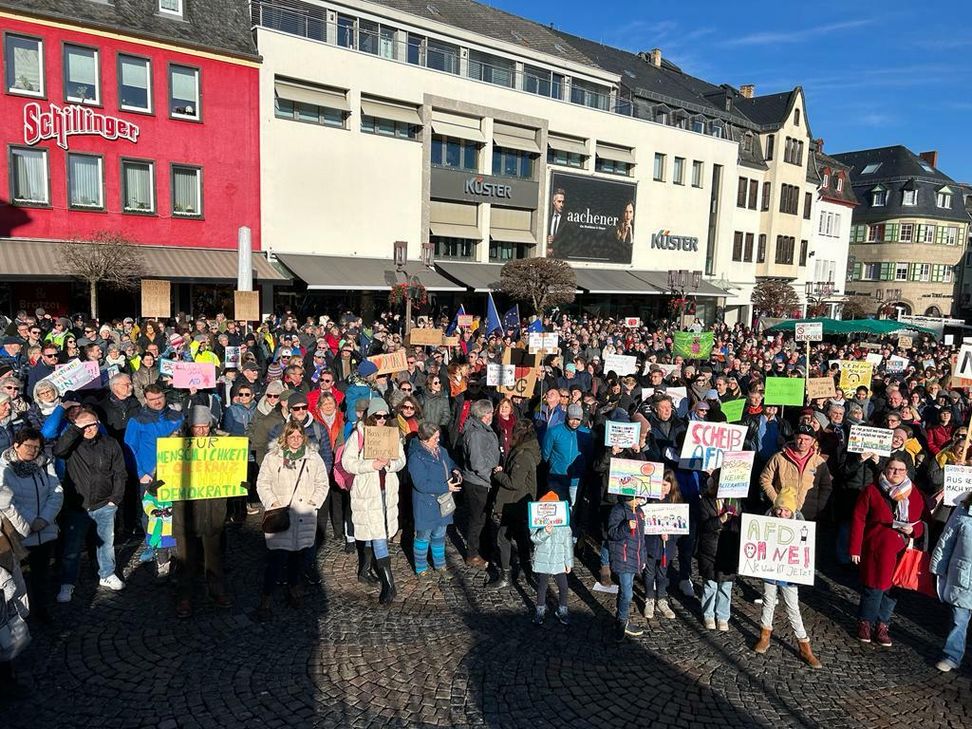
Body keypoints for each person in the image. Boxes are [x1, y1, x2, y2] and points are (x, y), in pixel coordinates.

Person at [255, 420, 330, 621]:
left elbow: (322, 483)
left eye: (299, 436)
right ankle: (267, 596)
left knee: (298, 557)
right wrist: (273, 502)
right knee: (276, 559)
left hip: (303, 515)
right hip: (281, 514)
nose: (296, 440)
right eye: (292, 436)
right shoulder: (273, 458)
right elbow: (263, 483)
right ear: (285, 437)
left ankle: (294, 588)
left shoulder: (313, 459)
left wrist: (313, 503)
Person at [849, 456, 927, 646]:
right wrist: (855, 548)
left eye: (900, 470)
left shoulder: (914, 493)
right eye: (892, 469)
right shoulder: (871, 490)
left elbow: (923, 523)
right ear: (885, 469)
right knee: (874, 588)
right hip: (877, 547)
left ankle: (883, 625)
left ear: (906, 473)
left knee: (893, 590)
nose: (896, 473)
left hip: (902, 549)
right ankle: (865, 622)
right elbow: (859, 520)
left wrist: (913, 530)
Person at [52, 407, 128, 600]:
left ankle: (107, 574)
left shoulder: (110, 443)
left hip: (105, 504)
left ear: (98, 424)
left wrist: (115, 499)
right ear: (77, 426)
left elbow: (120, 473)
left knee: (106, 544)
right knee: (72, 548)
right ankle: (67, 583)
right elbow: (58, 450)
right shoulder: (72, 444)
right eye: (83, 425)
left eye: (91, 424)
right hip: (78, 507)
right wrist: (75, 429)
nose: (88, 428)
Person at [170, 406, 233, 618]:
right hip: (184, 514)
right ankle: (184, 598)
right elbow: (162, 475)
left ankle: (216, 591)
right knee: (185, 559)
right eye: (197, 427)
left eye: (205, 427)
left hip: (213, 511)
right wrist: (160, 482)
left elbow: (233, 472)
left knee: (214, 557)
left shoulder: (223, 445)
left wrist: (242, 481)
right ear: (189, 426)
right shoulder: (174, 445)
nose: (201, 431)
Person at [342, 398, 406, 605]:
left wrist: (390, 464)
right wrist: (371, 465)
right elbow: (347, 462)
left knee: (374, 529)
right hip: (367, 490)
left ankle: (364, 570)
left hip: (386, 489)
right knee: (377, 533)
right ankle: (389, 584)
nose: (381, 420)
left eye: (385, 416)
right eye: (377, 416)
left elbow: (401, 460)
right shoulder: (359, 435)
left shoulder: (391, 434)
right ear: (370, 416)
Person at [752, 489, 822, 669]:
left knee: (793, 606)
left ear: (792, 511)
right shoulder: (767, 520)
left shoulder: (800, 526)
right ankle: (764, 635)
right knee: (768, 600)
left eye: (786, 510)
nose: (781, 513)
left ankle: (804, 645)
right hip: (770, 568)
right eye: (779, 509)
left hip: (789, 571)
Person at [0, 427, 63, 620]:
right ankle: (18, 615)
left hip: (45, 529)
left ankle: (41, 610)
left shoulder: (45, 463)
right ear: (16, 445)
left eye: (37, 447)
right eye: (28, 446)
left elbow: (57, 491)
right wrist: (30, 522)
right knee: (19, 577)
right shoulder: (5, 468)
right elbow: (8, 501)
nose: (33, 451)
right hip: (19, 533)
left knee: (41, 574)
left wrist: (44, 519)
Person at [490, 419, 540, 588]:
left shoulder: (523, 455)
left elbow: (514, 483)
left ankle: (505, 576)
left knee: (503, 538)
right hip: (520, 502)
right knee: (521, 536)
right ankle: (528, 569)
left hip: (514, 502)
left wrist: (498, 474)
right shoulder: (529, 450)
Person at [406, 421, 461, 577]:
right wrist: (446, 487)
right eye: (435, 438)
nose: (438, 440)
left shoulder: (441, 451)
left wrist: (456, 470)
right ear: (425, 439)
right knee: (423, 537)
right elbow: (421, 484)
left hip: (443, 502)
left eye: (438, 437)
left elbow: (450, 464)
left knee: (439, 535)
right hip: (426, 503)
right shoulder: (416, 457)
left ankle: (440, 564)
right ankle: (421, 567)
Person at [931, 492, 972, 672]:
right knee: (959, 619)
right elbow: (947, 538)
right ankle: (952, 655)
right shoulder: (963, 510)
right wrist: (937, 566)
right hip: (963, 576)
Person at [759, 424, 833, 520]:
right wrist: (776, 500)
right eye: (800, 438)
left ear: (813, 441)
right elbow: (765, 479)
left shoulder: (819, 462)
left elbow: (826, 486)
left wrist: (818, 506)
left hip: (808, 514)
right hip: (782, 513)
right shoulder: (779, 457)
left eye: (807, 439)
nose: (802, 442)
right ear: (795, 438)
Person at [460, 399, 501, 569]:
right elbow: (477, 463)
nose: (493, 415)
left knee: (482, 519)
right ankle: (472, 554)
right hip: (479, 482)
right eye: (491, 412)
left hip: (482, 481)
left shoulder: (481, 429)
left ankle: (483, 549)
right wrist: (492, 477)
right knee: (477, 520)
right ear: (485, 415)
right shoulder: (476, 433)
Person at [698, 469, 741, 631]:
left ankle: (722, 616)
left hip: (728, 549)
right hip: (710, 549)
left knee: (726, 586)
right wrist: (720, 520)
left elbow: (740, 525)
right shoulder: (704, 502)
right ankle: (708, 614)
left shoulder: (735, 503)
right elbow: (704, 526)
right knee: (710, 585)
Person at [608, 491, 647, 641]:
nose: (639, 501)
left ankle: (621, 618)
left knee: (626, 590)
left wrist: (642, 557)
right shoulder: (618, 510)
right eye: (637, 498)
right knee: (627, 593)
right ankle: (622, 621)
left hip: (634, 558)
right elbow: (612, 533)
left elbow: (641, 538)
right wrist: (626, 526)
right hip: (623, 558)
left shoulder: (639, 512)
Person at [530, 492, 573, 626]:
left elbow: (568, 544)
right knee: (542, 587)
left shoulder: (564, 524)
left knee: (564, 587)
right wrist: (545, 532)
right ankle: (540, 610)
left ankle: (562, 610)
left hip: (559, 560)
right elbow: (534, 539)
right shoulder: (537, 523)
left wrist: (568, 562)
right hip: (544, 560)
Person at [642, 469, 680, 621]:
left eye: (666, 485)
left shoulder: (676, 502)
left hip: (667, 546)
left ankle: (662, 599)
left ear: (671, 485)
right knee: (650, 572)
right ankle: (649, 598)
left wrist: (670, 535)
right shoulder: (651, 500)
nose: (663, 488)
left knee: (663, 574)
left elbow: (680, 526)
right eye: (660, 484)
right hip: (651, 544)